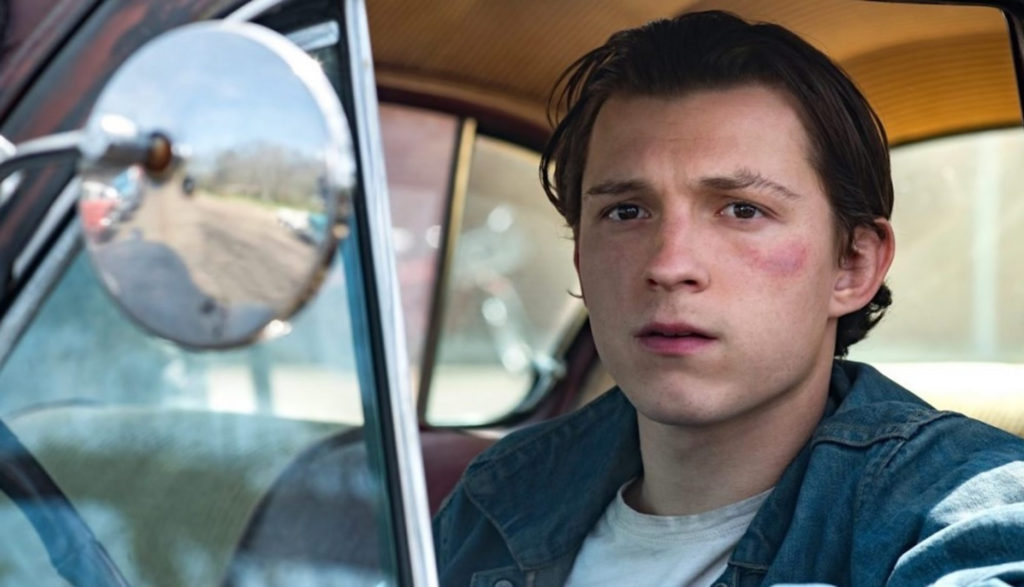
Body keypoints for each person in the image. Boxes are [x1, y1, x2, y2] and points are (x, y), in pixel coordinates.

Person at [433, 10, 1024, 586]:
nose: (669, 265)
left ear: (851, 265)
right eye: (626, 211)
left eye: (743, 210)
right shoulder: (501, 491)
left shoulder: (959, 510)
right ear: (581, 257)